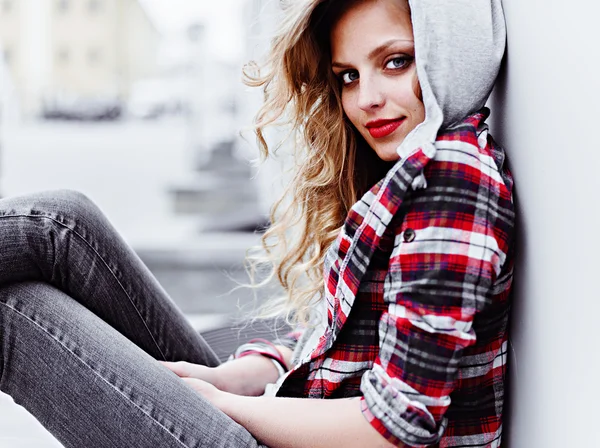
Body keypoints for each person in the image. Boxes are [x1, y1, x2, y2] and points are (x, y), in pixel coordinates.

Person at [0, 0, 513, 447]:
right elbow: (337, 346)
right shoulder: (410, 172)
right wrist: (244, 375)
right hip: (293, 412)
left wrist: (219, 406)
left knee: (16, 311)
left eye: (395, 62)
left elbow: (395, 427)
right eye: (348, 75)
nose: (366, 98)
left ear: (451, 52)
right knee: (63, 224)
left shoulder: (451, 179)